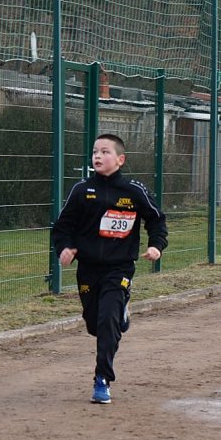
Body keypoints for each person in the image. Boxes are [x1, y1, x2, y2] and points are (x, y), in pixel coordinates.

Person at [52, 133, 168, 404]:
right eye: (95, 152)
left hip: (120, 268)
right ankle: (120, 317)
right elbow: (62, 227)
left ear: (120, 159)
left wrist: (156, 246)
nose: (98, 157)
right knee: (95, 324)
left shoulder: (134, 191)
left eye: (104, 152)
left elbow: (157, 220)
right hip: (88, 269)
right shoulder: (81, 191)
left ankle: (102, 379)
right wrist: (65, 248)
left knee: (107, 321)